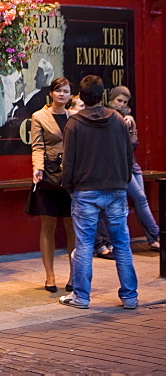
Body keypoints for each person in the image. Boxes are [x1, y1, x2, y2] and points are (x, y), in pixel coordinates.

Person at [59, 75, 138, 310]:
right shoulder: (116, 118)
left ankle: (81, 297)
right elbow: (127, 155)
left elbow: (69, 162)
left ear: (81, 96)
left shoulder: (74, 123)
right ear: (102, 95)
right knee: (122, 244)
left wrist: (69, 187)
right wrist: (123, 181)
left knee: (84, 244)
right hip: (115, 188)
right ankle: (130, 296)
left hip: (85, 190)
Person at [93, 86, 160, 259]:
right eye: (119, 101)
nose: (122, 104)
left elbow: (133, 145)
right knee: (140, 199)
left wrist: (132, 128)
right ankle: (158, 234)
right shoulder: (107, 116)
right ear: (111, 100)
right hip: (119, 167)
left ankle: (153, 239)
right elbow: (111, 146)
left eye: (125, 102)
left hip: (133, 165)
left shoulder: (128, 118)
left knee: (140, 201)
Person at [28, 76, 76, 293]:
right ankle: (50, 276)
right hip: (48, 174)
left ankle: (75, 275)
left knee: (71, 225)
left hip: (71, 177)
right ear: (51, 93)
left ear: (70, 94)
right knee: (48, 224)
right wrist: (37, 167)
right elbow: (37, 146)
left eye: (65, 91)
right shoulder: (39, 116)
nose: (62, 95)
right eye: (58, 91)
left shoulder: (75, 116)